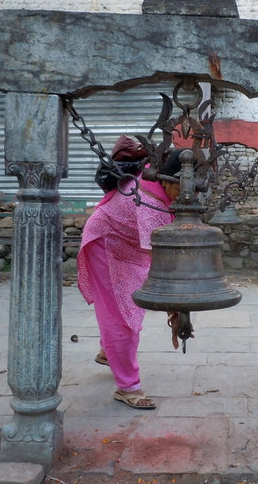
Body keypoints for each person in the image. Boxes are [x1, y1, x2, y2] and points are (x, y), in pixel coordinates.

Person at [77, 148, 184, 409]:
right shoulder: (151, 205)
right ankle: (128, 387)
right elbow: (162, 264)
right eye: (183, 189)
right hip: (107, 246)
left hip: (129, 248)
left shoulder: (154, 184)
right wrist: (176, 303)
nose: (188, 197)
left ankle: (108, 352)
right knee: (123, 316)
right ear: (168, 182)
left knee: (124, 307)